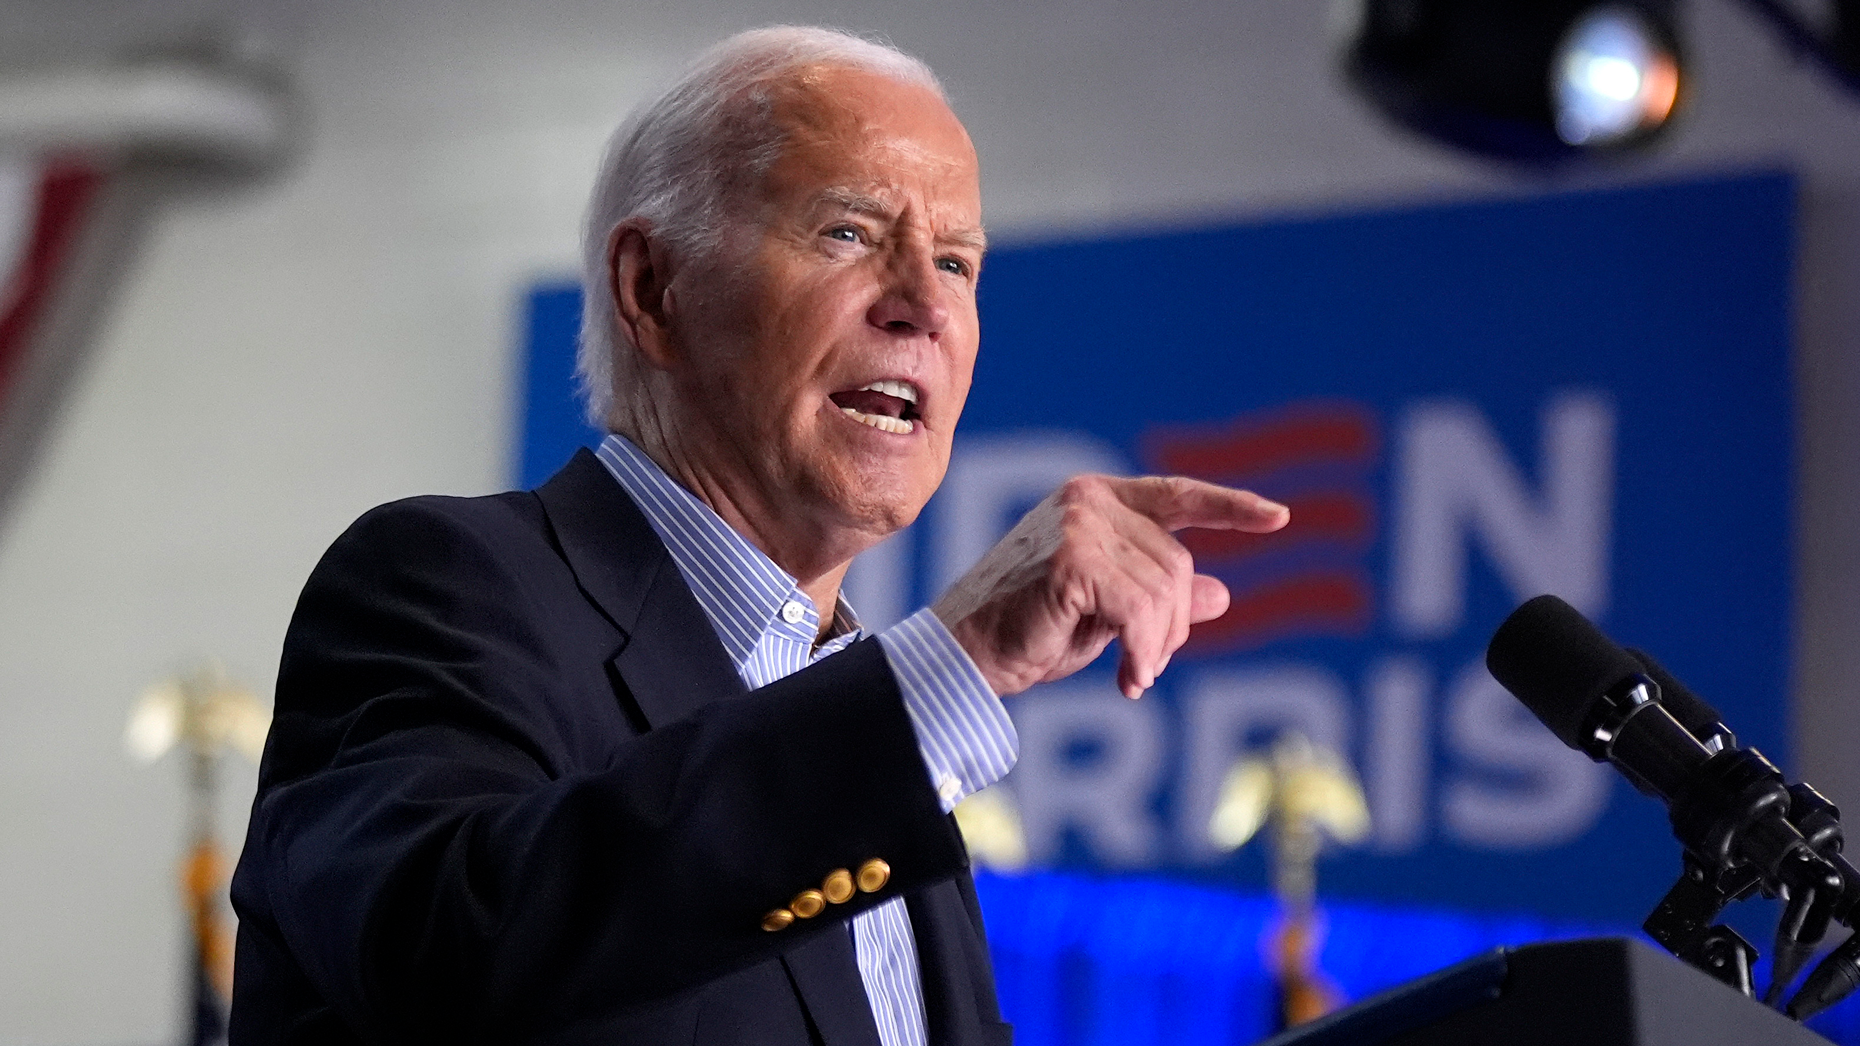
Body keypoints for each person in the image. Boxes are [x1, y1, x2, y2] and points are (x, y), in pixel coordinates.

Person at [228, 25, 1289, 1046]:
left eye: (959, 261)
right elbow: (448, 954)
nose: (925, 302)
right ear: (653, 290)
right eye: (850, 234)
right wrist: (952, 664)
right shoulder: (444, 585)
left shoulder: (873, 740)